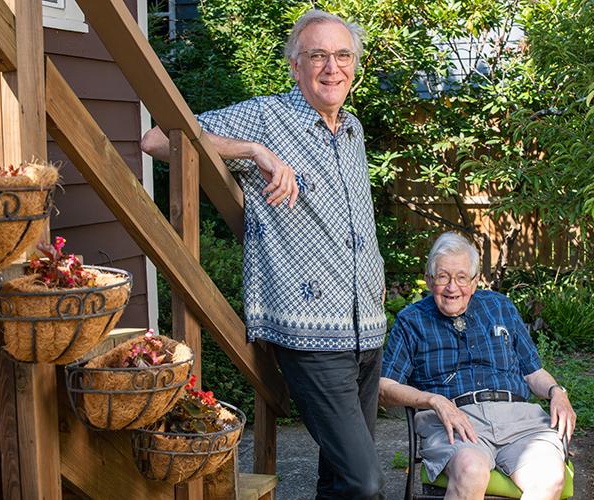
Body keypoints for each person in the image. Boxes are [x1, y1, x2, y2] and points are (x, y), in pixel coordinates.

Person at [141, 10, 386, 499]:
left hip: (368, 330)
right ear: (296, 66)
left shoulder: (354, 129)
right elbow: (155, 139)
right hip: (311, 333)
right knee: (365, 482)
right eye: (317, 55)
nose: (331, 67)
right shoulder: (268, 117)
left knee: (339, 479)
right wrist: (253, 151)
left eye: (342, 55)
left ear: (355, 65)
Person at [379, 232, 576, 500]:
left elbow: (533, 372)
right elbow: (385, 387)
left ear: (474, 282)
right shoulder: (411, 321)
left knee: (550, 478)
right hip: (455, 421)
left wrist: (557, 392)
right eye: (442, 277)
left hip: (518, 420)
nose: (452, 288)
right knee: (472, 469)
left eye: (461, 278)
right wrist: (434, 400)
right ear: (428, 280)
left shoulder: (500, 307)